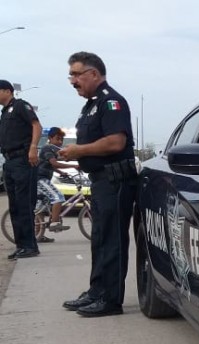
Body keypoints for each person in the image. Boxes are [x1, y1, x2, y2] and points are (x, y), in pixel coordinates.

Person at [59, 52, 138, 317]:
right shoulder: (91, 105)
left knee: (112, 240)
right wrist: (75, 156)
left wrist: (79, 150)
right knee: (99, 239)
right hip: (101, 180)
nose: (72, 81)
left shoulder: (111, 102)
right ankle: (97, 291)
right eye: (70, 74)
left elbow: (116, 142)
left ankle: (110, 300)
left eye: (76, 74)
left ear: (94, 74)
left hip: (115, 180)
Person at [0, 79, 42, 259]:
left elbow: (36, 125)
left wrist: (33, 147)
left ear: (7, 91)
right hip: (9, 162)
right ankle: (21, 245)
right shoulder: (4, 112)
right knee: (15, 206)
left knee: (24, 205)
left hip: (22, 160)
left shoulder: (20, 106)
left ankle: (30, 246)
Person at [38, 126, 73, 233]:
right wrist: (74, 166)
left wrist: (62, 173)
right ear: (50, 138)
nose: (60, 142)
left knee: (40, 207)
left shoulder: (53, 150)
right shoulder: (48, 148)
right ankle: (54, 223)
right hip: (40, 179)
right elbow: (54, 163)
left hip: (42, 179)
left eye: (61, 139)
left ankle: (38, 235)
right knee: (58, 197)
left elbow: (51, 165)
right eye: (57, 139)